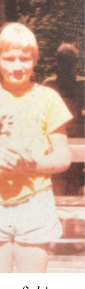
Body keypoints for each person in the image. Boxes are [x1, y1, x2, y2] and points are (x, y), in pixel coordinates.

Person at [0, 23, 73, 273]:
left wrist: (30, 164)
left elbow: (63, 157)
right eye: (9, 58)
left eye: (24, 58)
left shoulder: (48, 98)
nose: (17, 66)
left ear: (34, 60)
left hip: (34, 202)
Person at [44, 44, 85, 196]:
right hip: (55, 138)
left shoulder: (82, 84)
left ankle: (72, 215)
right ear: (58, 62)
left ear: (76, 62)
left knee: (74, 179)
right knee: (57, 178)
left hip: (77, 139)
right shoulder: (49, 85)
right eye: (64, 60)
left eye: (71, 60)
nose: (67, 65)